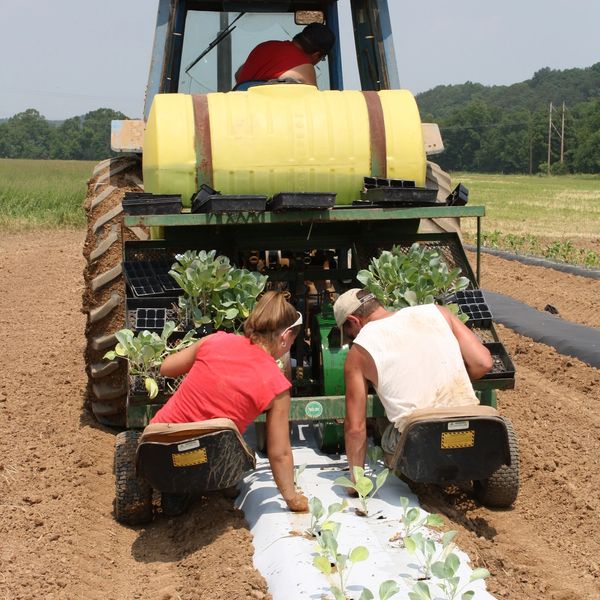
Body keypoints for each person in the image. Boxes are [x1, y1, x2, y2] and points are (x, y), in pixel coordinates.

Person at [151, 291, 308, 513]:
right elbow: (279, 452)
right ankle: (209, 489)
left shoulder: (215, 340)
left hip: (158, 445)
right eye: (292, 340)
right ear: (285, 336)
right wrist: (292, 498)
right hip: (207, 461)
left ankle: (175, 490)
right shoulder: (277, 386)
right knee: (241, 451)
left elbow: (166, 368)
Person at [333, 288, 494, 476]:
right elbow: (483, 363)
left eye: (351, 334)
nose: (353, 339)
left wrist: (356, 481)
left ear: (354, 321)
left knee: (386, 436)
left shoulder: (359, 352)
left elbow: (355, 428)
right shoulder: (437, 312)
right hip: (471, 423)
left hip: (421, 441)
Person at [235, 22, 335, 88]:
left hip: (239, 111)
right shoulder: (305, 67)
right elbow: (311, 104)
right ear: (316, 55)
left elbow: (238, 74)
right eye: (322, 58)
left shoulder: (264, 47)